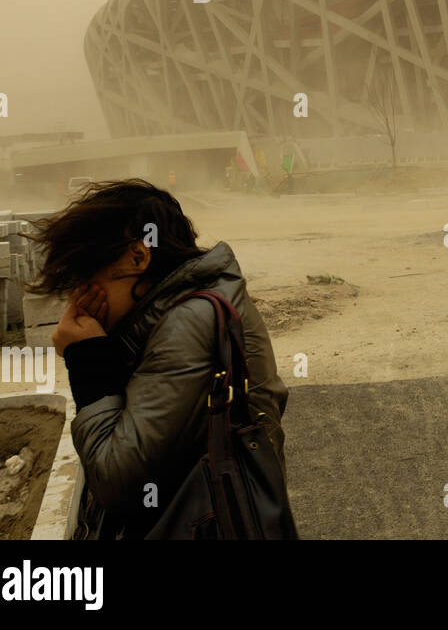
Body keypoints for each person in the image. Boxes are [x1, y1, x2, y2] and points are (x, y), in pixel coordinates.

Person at [24, 179, 290, 539]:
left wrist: (88, 360)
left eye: (87, 277)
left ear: (138, 256)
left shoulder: (189, 323)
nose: (77, 297)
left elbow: (116, 479)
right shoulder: (183, 311)